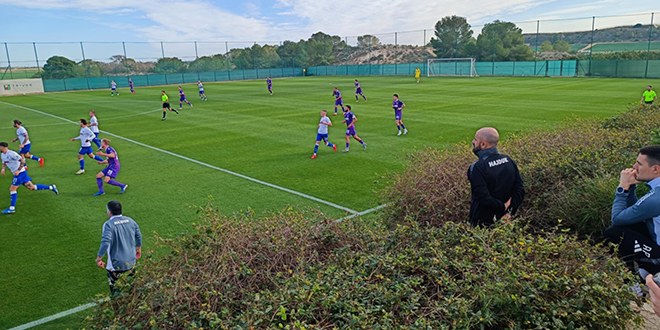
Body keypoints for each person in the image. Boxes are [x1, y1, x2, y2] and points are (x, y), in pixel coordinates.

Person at [604, 146, 660, 292]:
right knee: (633, 225)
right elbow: (636, 212)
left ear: (655, 169)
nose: (634, 167)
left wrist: (622, 187)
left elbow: (617, 219)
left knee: (615, 232)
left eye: (639, 164)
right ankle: (645, 270)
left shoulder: (656, 198)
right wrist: (631, 188)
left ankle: (633, 284)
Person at [468, 127, 524, 227]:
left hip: (482, 225)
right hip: (506, 222)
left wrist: (503, 206)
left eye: (476, 140)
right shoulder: (509, 160)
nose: (473, 141)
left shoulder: (477, 167)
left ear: (483, 144)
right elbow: (519, 190)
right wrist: (509, 213)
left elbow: (483, 198)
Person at [96, 201, 142, 295]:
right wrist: (138, 249)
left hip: (116, 264)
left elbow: (105, 242)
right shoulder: (130, 221)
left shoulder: (108, 224)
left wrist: (99, 258)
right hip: (131, 261)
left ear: (109, 212)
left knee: (116, 291)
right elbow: (138, 235)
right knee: (131, 289)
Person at [0, 142, 58, 214]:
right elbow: (4, 163)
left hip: (20, 173)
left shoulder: (12, 154)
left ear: (2, 147)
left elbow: (23, 161)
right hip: (20, 173)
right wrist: (3, 170)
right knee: (32, 187)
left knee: (12, 189)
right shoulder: (2, 155)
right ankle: (51, 187)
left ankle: (12, 208)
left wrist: (18, 170)